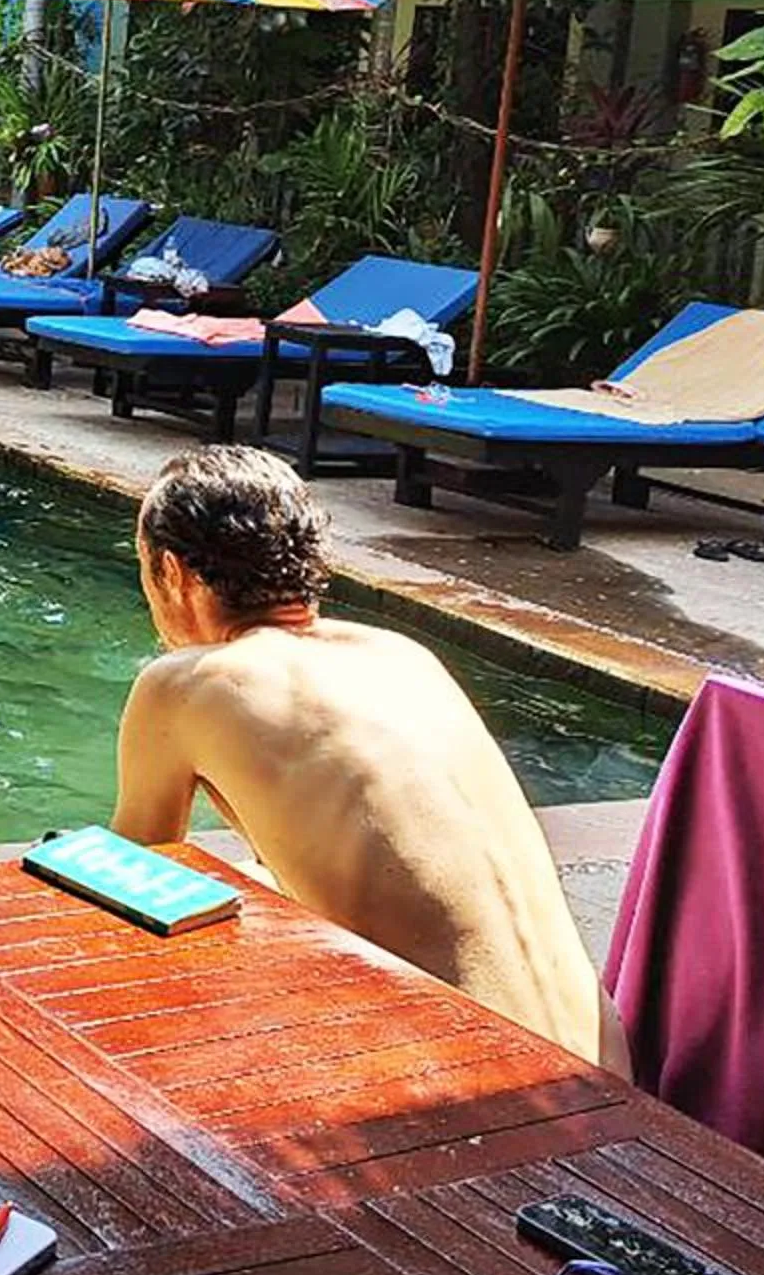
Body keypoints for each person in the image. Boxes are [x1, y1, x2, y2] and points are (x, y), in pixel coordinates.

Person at [110, 447, 621, 1069]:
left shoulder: (186, 685)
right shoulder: (403, 656)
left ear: (172, 572)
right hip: (606, 1065)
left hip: (477, 1082)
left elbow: (125, 882)